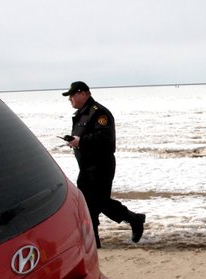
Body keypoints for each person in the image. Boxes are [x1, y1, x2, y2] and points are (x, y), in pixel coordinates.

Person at [62, 81, 146, 248]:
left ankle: (134, 219)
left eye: (73, 95)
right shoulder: (82, 113)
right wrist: (74, 141)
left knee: (99, 201)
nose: (70, 98)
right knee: (88, 203)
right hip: (86, 166)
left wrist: (81, 142)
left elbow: (105, 139)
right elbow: (82, 138)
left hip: (100, 165)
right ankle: (95, 241)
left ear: (84, 94)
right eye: (69, 96)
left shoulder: (99, 113)